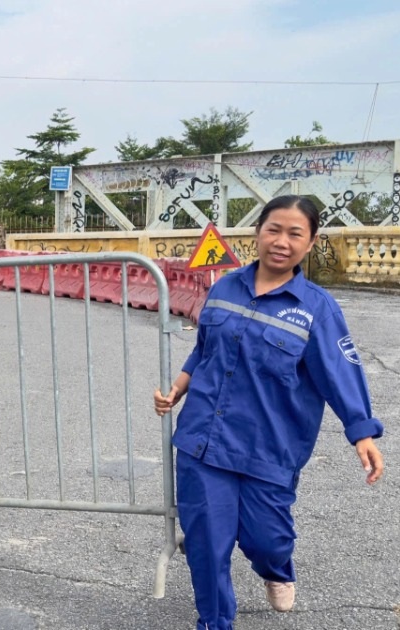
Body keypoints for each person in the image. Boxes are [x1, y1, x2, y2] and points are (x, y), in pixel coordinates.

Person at [153, 195, 385, 629]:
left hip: (269, 449)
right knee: (206, 543)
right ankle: (214, 622)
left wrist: (363, 434)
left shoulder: (317, 309)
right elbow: (204, 351)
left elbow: (341, 373)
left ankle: (276, 568)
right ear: (258, 232)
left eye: (295, 233)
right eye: (273, 229)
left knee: (267, 539)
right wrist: (177, 390)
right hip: (203, 440)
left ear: (311, 242)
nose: (282, 241)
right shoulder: (223, 288)